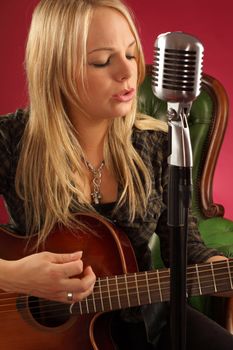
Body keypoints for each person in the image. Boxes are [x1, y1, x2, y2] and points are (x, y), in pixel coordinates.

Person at [0, 0, 232, 349]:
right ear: (55, 69)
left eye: (130, 54)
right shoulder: (10, 140)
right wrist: (14, 275)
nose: (128, 74)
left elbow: (186, 251)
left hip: (145, 321)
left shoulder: (156, 144)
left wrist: (221, 271)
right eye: (102, 60)